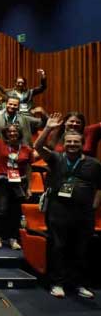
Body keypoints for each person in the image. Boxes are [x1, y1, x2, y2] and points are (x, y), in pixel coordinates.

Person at [35, 114, 101, 299]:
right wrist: (48, 128)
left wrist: (93, 207)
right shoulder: (56, 158)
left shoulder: (93, 164)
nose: (72, 144)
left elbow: (99, 188)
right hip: (59, 211)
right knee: (59, 247)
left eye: (76, 142)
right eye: (69, 141)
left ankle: (79, 284)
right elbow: (38, 147)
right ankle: (57, 283)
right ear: (64, 143)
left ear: (82, 144)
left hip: (83, 213)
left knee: (81, 249)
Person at [0, 106, 33, 250]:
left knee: (16, 212)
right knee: (1, 210)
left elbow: (29, 168)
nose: (12, 133)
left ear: (19, 133)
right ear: (6, 134)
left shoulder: (26, 149)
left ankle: (13, 238)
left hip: (19, 183)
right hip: (2, 181)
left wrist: (30, 188)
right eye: (9, 132)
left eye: (15, 131)